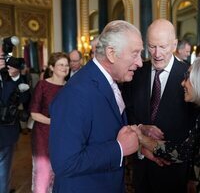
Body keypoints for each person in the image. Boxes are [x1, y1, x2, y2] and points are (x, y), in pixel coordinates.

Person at [49, 20, 143, 193]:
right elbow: (65, 162)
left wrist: (139, 131)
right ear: (111, 53)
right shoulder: (76, 93)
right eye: (135, 54)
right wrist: (119, 149)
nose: (140, 63)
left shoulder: (109, 82)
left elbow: (105, 129)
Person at [122, 18, 197, 193]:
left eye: (162, 47)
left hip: (175, 174)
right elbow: (127, 111)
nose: (156, 54)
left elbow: (193, 131)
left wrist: (191, 177)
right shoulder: (136, 73)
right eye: (151, 46)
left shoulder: (189, 77)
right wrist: (140, 129)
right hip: (141, 169)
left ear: (174, 45)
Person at [29, 52, 70, 193]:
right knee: (43, 175)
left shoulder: (70, 87)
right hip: (43, 136)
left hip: (64, 138)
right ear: (52, 67)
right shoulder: (42, 85)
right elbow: (34, 113)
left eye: (66, 65)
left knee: (59, 176)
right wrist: (55, 122)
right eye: (60, 65)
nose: (64, 68)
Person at [0, 46, 30, 192]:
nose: (3, 59)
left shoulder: (10, 77)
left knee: (4, 174)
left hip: (7, 134)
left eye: (3, 56)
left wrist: (16, 77)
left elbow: (24, 98)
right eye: (0, 56)